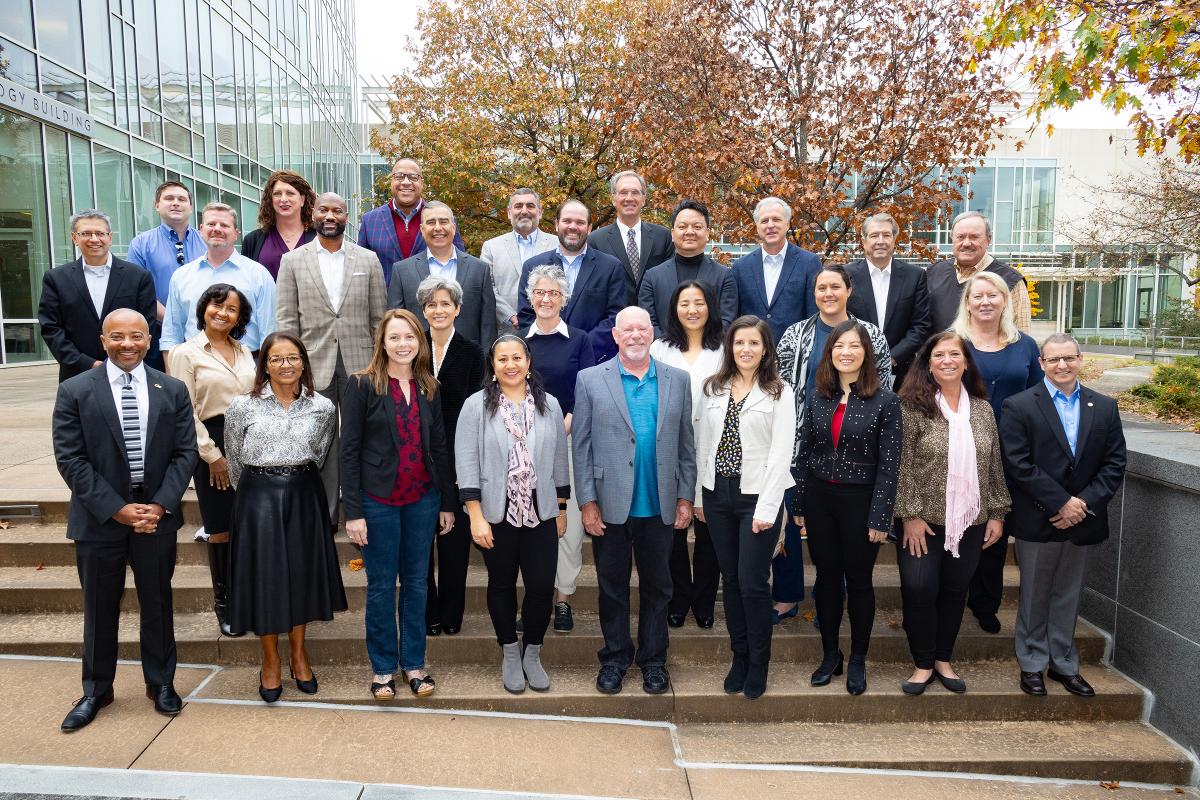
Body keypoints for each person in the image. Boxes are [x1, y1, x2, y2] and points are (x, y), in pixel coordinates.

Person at [52, 309, 197, 731]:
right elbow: (71, 459)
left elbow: (185, 452)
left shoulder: (171, 389)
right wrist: (116, 507)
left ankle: (161, 683)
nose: (127, 344)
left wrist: (160, 505)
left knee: (157, 602)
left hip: (156, 516)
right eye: (117, 336)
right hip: (99, 518)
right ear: (103, 340)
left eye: (136, 336)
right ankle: (97, 689)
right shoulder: (76, 390)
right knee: (99, 607)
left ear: (149, 340)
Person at [573, 307, 696, 696]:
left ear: (652, 333)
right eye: (628, 329)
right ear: (615, 335)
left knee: (659, 586)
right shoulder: (591, 379)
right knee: (612, 587)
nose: (636, 335)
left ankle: (654, 661)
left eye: (642, 328)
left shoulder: (677, 380)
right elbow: (582, 447)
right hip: (609, 505)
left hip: (659, 503)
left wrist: (685, 497)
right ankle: (614, 658)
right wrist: (587, 501)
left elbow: (686, 447)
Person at [224, 333, 348, 702]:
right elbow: (233, 460)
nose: (286, 366)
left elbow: (322, 452)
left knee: (301, 578)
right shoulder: (242, 406)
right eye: (276, 359)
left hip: (303, 496)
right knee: (267, 580)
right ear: (264, 365)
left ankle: (299, 654)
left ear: (304, 362)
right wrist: (254, 493)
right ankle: (270, 660)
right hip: (257, 498)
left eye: (293, 358)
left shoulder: (323, 407)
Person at [1001, 334, 1127, 698]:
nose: (1062, 366)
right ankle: (1032, 663)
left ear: (1080, 359)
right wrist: (1060, 503)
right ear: (1041, 363)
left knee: (1068, 594)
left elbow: (1114, 462)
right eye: (1053, 359)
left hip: (1082, 519)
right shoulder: (1019, 405)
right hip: (1039, 518)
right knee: (1034, 594)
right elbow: (1018, 463)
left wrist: (1081, 505)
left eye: (1068, 358)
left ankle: (1063, 664)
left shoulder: (1103, 406)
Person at [340, 309, 457, 700]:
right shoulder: (361, 385)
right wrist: (353, 512)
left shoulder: (430, 387)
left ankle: (414, 664)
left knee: (418, 585)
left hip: (422, 500)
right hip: (378, 502)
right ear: (382, 342)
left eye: (409, 336)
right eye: (395, 337)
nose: (403, 344)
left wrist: (445, 502)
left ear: (419, 341)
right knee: (380, 586)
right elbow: (349, 451)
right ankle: (383, 670)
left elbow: (438, 447)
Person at [893, 332, 1011, 695]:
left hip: (972, 521)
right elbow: (901, 466)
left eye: (954, 354)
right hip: (923, 521)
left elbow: (992, 465)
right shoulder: (911, 407)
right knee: (919, 588)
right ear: (928, 364)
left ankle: (943, 659)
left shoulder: (983, 410)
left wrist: (997, 512)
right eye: (939, 354)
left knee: (955, 590)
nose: (947, 360)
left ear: (965, 362)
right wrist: (910, 516)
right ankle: (923, 663)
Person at [774, 264, 891, 623]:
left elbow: (883, 384)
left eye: (835, 287)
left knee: (841, 530)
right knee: (793, 520)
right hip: (800, 442)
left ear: (848, 290)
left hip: (854, 449)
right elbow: (778, 383)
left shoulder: (870, 334)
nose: (828, 294)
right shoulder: (796, 334)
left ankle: (834, 595)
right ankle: (787, 594)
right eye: (821, 288)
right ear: (814, 294)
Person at [455, 335, 571, 693]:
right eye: (502, 359)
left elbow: (558, 461)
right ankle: (509, 651)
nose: (510, 365)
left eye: (516, 357)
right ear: (493, 365)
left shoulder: (548, 404)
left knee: (539, 586)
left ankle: (532, 653)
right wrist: (475, 514)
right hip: (495, 512)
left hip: (541, 512)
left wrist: (562, 507)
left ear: (528, 361)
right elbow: (467, 461)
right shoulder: (476, 406)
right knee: (501, 584)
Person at [792, 320, 902, 695]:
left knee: (858, 582)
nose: (846, 352)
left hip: (862, 502)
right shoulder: (818, 397)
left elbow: (890, 465)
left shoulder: (885, 401)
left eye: (854, 346)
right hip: (821, 500)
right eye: (839, 346)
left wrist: (880, 516)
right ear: (830, 353)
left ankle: (858, 658)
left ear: (866, 353)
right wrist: (801, 503)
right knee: (825, 578)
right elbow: (805, 453)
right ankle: (830, 655)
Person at [694, 316, 795, 698]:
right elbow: (703, 443)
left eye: (754, 343)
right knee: (731, 580)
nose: (746, 350)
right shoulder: (714, 388)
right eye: (739, 343)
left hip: (758, 497)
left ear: (765, 348)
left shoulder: (779, 392)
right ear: (730, 348)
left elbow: (781, 453)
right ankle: (738, 657)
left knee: (753, 582)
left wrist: (768, 509)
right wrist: (701, 496)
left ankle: (758, 662)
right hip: (718, 495)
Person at [276, 192, 387, 529]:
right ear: (313, 214)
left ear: (346, 217)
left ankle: (363, 509)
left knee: (361, 439)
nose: (329, 215)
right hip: (312, 364)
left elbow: (378, 319)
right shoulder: (292, 261)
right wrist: (291, 369)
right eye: (323, 209)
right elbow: (286, 322)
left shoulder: (367, 260)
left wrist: (379, 366)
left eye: (337, 211)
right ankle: (325, 517)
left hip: (360, 365)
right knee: (321, 441)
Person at [952, 271, 1043, 634]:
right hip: (958, 447)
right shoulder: (953, 341)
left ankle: (985, 601)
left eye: (993, 295)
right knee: (959, 521)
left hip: (1009, 449)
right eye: (978, 296)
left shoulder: (1025, 346)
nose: (985, 301)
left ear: (1005, 300)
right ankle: (953, 597)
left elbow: (1039, 396)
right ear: (968, 302)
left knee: (994, 525)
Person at [167, 284, 256, 638]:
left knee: (248, 525)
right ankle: (225, 603)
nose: (223, 313)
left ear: (240, 317)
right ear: (204, 307)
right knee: (220, 528)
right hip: (212, 446)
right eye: (217, 305)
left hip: (251, 444)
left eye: (232, 309)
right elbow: (183, 410)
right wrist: (212, 455)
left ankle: (249, 597)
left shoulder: (246, 351)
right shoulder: (185, 354)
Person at [523, 265, 596, 632]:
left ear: (563, 299)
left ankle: (563, 598)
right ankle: (532, 597)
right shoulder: (518, 341)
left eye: (553, 293)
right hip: (522, 445)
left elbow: (589, 390)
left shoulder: (580, 340)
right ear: (530, 297)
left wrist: (564, 422)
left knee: (567, 527)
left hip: (568, 440)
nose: (546, 299)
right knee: (528, 521)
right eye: (540, 292)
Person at [648, 281, 724, 631]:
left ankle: (704, 600)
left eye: (698, 302)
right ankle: (679, 598)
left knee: (709, 528)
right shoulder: (660, 348)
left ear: (710, 306)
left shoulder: (724, 348)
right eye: (684, 303)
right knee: (673, 529)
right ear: (674, 309)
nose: (692, 310)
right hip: (671, 447)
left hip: (715, 446)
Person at [417, 276, 485, 638]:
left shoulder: (473, 352)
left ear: (458, 308)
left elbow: (476, 410)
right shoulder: (411, 349)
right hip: (417, 458)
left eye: (446, 304)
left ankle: (451, 611)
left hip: (459, 457)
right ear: (423, 310)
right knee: (421, 541)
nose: (439, 310)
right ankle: (428, 611)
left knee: (455, 540)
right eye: (432, 304)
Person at [40, 211, 158, 383]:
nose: (94, 239)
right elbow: (51, 328)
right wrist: (87, 363)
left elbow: (147, 324)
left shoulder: (138, 277)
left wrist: (124, 360)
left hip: (128, 370)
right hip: (77, 374)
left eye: (100, 233)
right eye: (86, 233)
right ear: (74, 238)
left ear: (110, 237)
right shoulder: (56, 278)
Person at [160, 203, 276, 360]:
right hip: (193, 365)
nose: (217, 229)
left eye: (224, 225)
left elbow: (270, 332)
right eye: (211, 224)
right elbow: (171, 334)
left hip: (247, 367)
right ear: (201, 230)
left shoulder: (258, 274)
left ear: (236, 233)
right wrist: (172, 376)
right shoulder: (181, 276)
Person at [517, 199, 625, 362]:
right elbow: (526, 315)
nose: (573, 226)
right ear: (557, 225)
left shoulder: (611, 267)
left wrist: (582, 345)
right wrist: (551, 346)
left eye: (580, 222)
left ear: (589, 228)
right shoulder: (532, 266)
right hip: (544, 359)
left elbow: (616, 317)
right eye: (567, 221)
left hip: (595, 359)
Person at [389, 201, 497, 348]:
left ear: (453, 226)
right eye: (431, 222)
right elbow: (395, 324)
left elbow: (488, 327)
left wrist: (484, 366)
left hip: (469, 362)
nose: (438, 228)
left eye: (444, 221)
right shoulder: (402, 271)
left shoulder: (479, 269)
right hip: (419, 362)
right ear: (422, 229)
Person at [845, 212, 932, 387]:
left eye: (886, 235)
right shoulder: (845, 275)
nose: (880, 241)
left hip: (901, 372)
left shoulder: (915, 276)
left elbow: (921, 326)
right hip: (853, 369)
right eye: (874, 235)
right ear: (864, 241)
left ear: (894, 240)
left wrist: (891, 358)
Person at [126, 181, 206, 370]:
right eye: (169, 198)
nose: (176, 203)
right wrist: (175, 319)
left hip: (205, 332)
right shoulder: (141, 244)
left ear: (191, 206)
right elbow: (138, 292)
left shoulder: (206, 242)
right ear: (157, 205)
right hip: (157, 333)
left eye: (182, 199)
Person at [357, 158, 465, 284]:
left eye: (413, 177)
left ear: (422, 182)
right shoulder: (370, 221)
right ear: (391, 181)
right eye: (399, 176)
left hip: (432, 301)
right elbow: (361, 270)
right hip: (387, 302)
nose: (406, 182)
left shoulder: (443, 221)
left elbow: (461, 265)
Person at [638, 199, 738, 334]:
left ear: (707, 233)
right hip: (663, 352)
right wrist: (668, 349)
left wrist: (700, 350)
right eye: (682, 227)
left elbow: (727, 321)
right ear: (673, 234)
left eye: (697, 227)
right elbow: (648, 322)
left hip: (711, 352)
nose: (689, 232)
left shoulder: (724, 276)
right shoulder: (652, 277)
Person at [732, 197, 822, 342]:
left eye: (776, 219)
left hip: (794, 355)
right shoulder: (741, 267)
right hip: (753, 356)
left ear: (787, 224)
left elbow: (814, 315)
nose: (770, 225)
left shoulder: (809, 262)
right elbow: (735, 318)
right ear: (757, 227)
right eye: (764, 221)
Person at [927, 211, 1031, 333]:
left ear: (988, 239)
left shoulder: (1011, 280)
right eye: (960, 237)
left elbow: (1022, 335)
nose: (966, 243)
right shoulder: (933, 273)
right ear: (952, 239)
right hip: (940, 351)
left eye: (974, 237)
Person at [588, 170, 675, 304]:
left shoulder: (663, 237)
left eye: (635, 192)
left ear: (643, 199)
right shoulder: (595, 240)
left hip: (654, 319)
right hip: (614, 320)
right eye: (623, 193)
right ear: (613, 199)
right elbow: (594, 288)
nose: (629, 198)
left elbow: (670, 282)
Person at [480, 188, 558, 334]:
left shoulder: (557, 245)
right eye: (518, 206)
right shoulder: (491, 247)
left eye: (530, 206)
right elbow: (487, 288)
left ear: (540, 212)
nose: (524, 211)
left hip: (549, 330)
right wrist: (510, 315)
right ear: (509, 213)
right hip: (507, 331)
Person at [239, 170, 317, 280]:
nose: (283, 199)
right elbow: (246, 283)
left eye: (290, 193)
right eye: (277, 194)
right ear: (271, 200)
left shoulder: (318, 238)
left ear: (302, 200)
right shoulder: (253, 240)